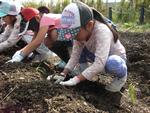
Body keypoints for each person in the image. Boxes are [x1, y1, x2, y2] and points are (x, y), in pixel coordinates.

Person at [54, 2, 127, 92]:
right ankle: (84, 73)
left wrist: (76, 79)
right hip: (95, 55)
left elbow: (99, 63)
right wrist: (63, 73)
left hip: (114, 58)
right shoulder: (81, 35)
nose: (73, 37)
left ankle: (121, 77)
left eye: (75, 33)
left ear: (89, 25)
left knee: (113, 63)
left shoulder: (102, 31)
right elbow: (75, 56)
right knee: (78, 50)